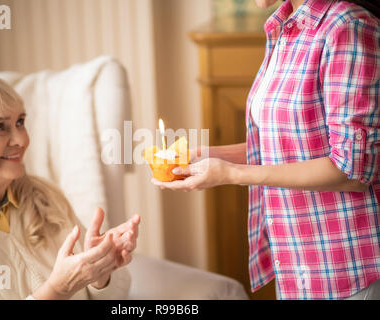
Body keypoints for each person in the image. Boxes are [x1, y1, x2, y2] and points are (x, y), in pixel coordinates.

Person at [153, 0, 379, 300]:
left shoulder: (346, 27)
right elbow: (282, 146)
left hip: (345, 266)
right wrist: (208, 156)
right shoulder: (285, 27)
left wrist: (231, 173)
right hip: (296, 262)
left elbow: (352, 170)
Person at [0, 70, 140, 300]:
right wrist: (58, 290)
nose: (21, 140)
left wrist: (101, 274)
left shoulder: (44, 197)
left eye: (20, 122)